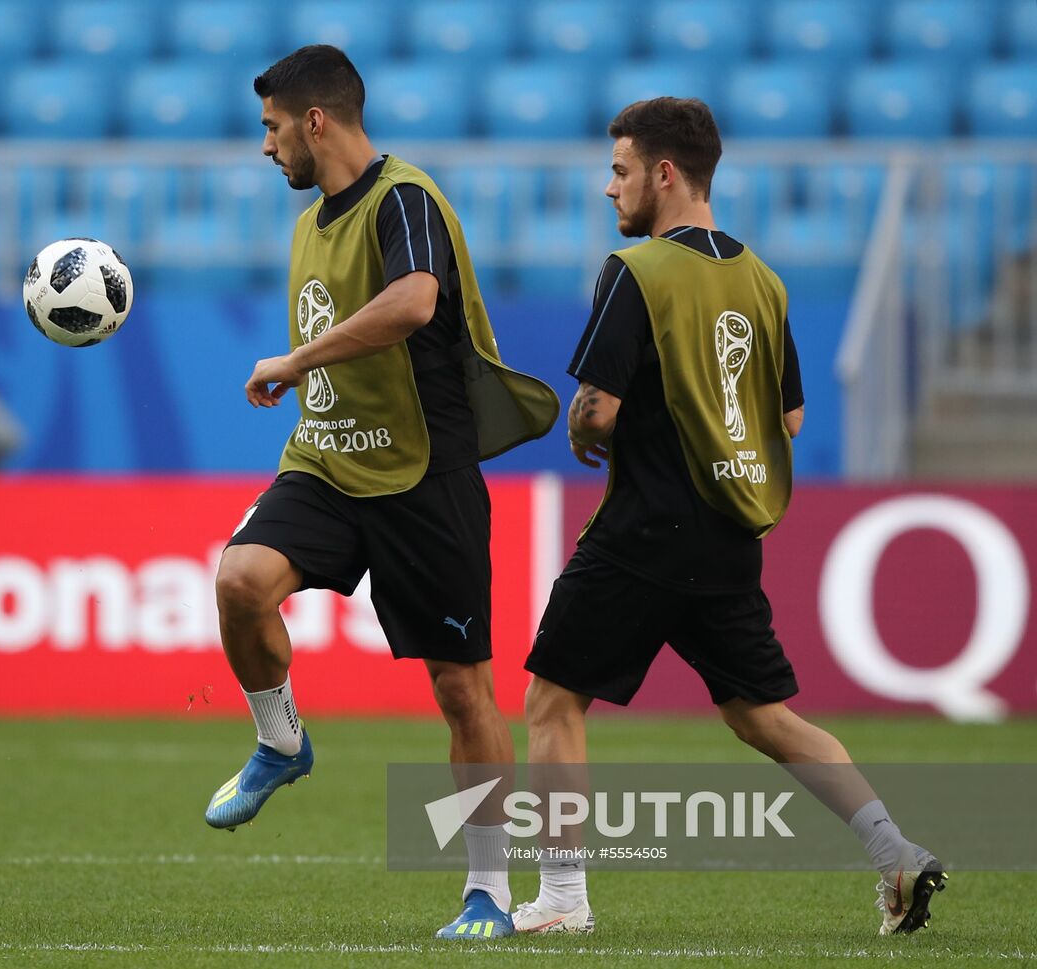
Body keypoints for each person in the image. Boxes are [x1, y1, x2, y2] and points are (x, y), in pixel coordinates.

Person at [516, 97, 946, 937]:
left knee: (553, 700)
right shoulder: (764, 279)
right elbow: (788, 421)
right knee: (764, 716)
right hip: (727, 539)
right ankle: (895, 850)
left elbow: (597, 408)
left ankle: (563, 901)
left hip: (644, 530)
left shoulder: (636, 269)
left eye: (621, 170)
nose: (611, 189)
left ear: (664, 175)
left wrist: (580, 425)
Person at [203, 45, 559, 940]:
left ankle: (487, 891)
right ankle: (281, 740)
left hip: (421, 475)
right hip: (324, 463)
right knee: (240, 580)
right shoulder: (311, 220)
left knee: (461, 689)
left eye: (271, 127)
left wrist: (295, 360)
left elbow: (412, 302)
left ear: (313, 119)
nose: (266, 146)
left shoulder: (404, 198)